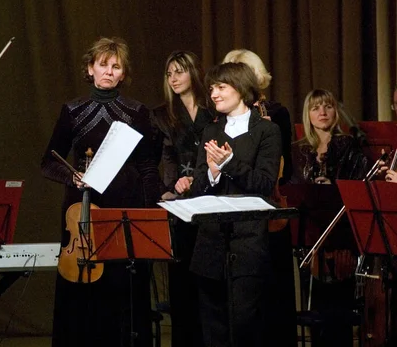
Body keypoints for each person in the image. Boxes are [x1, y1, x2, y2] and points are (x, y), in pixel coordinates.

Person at [41, 37, 160, 347]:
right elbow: (48, 162)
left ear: (123, 74)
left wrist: (148, 215)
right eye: (103, 64)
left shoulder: (137, 112)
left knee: (124, 288)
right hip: (82, 208)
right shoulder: (72, 110)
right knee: (82, 291)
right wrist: (72, 177)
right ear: (90, 69)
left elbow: (148, 166)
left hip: (125, 205)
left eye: (116, 66)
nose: (109, 71)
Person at [176, 62, 282, 346]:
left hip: (248, 243)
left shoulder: (267, 132)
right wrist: (211, 172)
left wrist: (229, 164)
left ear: (242, 89)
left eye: (221, 87)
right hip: (210, 243)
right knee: (214, 327)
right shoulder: (211, 132)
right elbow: (198, 186)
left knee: (246, 326)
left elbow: (264, 184)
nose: (214, 94)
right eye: (212, 88)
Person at [222, 49, 296, 346]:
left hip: (268, 205)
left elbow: (285, 166)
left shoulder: (276, 113)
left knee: (271, 294)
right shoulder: (222, 116)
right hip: (233, 209)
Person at [291, 88, 367, 346]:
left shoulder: (349, 145)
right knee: (316, 313)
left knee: (338, 314)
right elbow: (293, 189)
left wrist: (332, 186)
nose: (322, 112)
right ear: (307, 114)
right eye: (315, 108)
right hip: (310, 239)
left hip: (341, 235)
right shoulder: (298, 151)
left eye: (327, 107)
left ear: (335, 111)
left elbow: (358, 189)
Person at [150, 51, 213, 346]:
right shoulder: (162, 115)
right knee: (181, 283)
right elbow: (165, 156)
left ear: (194, 74)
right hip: (178, 203)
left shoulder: (212, 110)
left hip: (210, 199)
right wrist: (170, 188)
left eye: (179, 71)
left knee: (208, 285)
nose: (173, 78)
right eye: (169, 73)